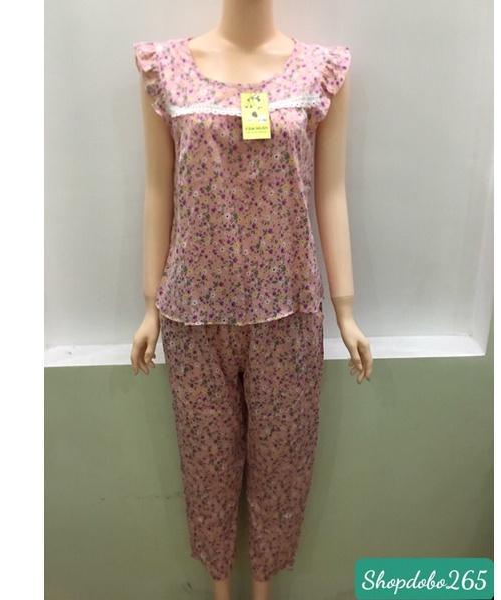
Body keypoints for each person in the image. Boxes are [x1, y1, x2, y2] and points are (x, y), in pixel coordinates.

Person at [130, 6, 372, 600]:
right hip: (192, 311)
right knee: (207, 468)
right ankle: (220, 591)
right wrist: (150, 305)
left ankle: (262, 590)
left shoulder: (320, 72)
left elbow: (331, 192)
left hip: (289, 308)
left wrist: (345, 310)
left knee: (281, 467)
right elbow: (158, 188)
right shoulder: (166, 69)